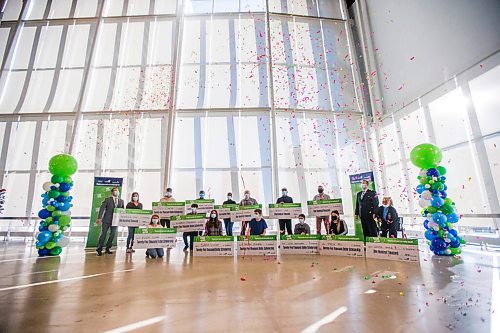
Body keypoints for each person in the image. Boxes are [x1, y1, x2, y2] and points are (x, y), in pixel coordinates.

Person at [95, 187, 124, 256]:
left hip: (115, 221)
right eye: (115, 190)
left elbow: (122, 211)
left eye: (117, 190)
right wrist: (99, 218)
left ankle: (108, 248)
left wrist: (123, 221)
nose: (116, 192)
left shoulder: (121, 201)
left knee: (112, 235)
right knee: (103, 234)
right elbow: (102, 209)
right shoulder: (107, 200)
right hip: (106, 220)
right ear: (112, 192)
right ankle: (99, 249)